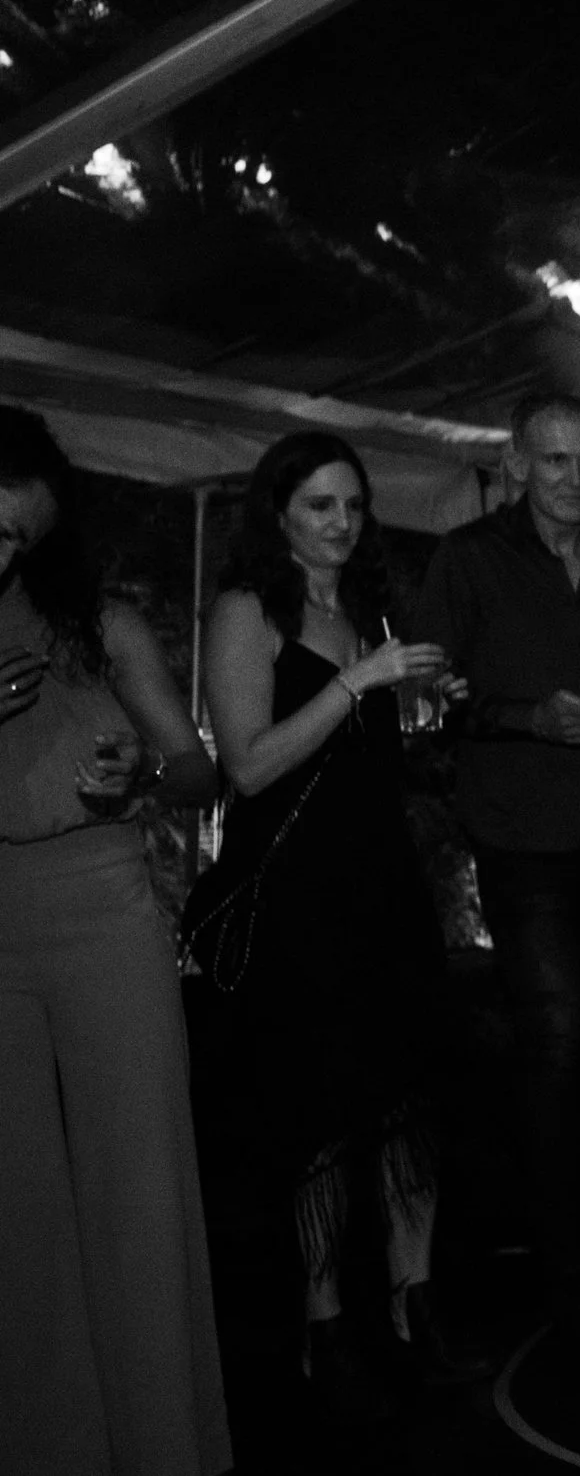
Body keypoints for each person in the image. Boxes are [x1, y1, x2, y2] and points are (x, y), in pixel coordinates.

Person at [187, 431, 476, 1419]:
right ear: (277, 512)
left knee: (409, 1103)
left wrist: (428, 702)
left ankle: (414, 1298)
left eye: (353, 503)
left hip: (383, 882)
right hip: (299, 897)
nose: (343, 522)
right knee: (318, 1117)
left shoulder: (367, 610)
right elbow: (250, 765)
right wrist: (358, 681)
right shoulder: (247, 609)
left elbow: (377, 764)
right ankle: (323, 1324)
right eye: (320, 504)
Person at [0, 408, 231, 1474]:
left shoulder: (102, 621)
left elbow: (197, 768)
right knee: (19, 1204)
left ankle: (165, 1447)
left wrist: (135, 774)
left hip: (101, 903)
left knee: (139, 1185)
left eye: (20, 532)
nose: (5, 549)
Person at [409, 391, 580, 1318]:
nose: (574, 477)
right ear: (516, 463)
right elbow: (428, 702)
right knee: (554, 1036)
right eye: (554, 461)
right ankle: (563, 1257)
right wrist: (531, 718)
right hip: (522, 835)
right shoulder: (468, 558)